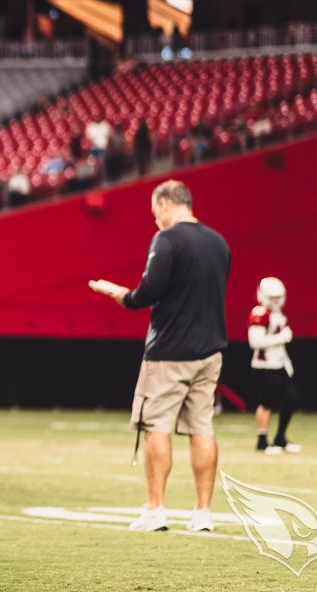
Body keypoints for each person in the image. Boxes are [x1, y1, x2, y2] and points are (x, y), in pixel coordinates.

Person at [89, 180, 229, 534]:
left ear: (167, 204)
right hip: (211, 351)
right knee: (202, 428)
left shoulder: (166, 240)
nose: (155, 220)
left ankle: (156, 510)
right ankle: (203, 513)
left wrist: (114, 292)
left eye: (156, 212)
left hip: (169, 353)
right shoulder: (219, 242)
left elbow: (144, 296)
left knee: (156, 427)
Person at [248, 277, 302, 454]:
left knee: (292, 399)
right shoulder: (260, 313)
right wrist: (282, 337)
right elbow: (255, 342)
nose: (276, 301)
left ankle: (280, 438)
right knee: (266, 403)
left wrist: (287, 363)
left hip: (279, 364)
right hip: (265, 366)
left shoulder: (278, 314)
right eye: (272, 297)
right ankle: (262, 441)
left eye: (278, 297)